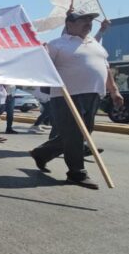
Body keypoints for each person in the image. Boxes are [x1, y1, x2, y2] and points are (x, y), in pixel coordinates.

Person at [30, 12, 124, 189]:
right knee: (74, 134)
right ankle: (76, 173)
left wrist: (114, 91)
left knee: (82, 132)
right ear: (69, 24)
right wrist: (40, 55)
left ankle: (42, 153)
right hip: (67, 97)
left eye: (90, 20)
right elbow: (42, 70)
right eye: (83, 20)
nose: (88, 23)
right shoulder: (56, 45)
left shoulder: (95, 44)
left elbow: (106, 69)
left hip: (94, 95)